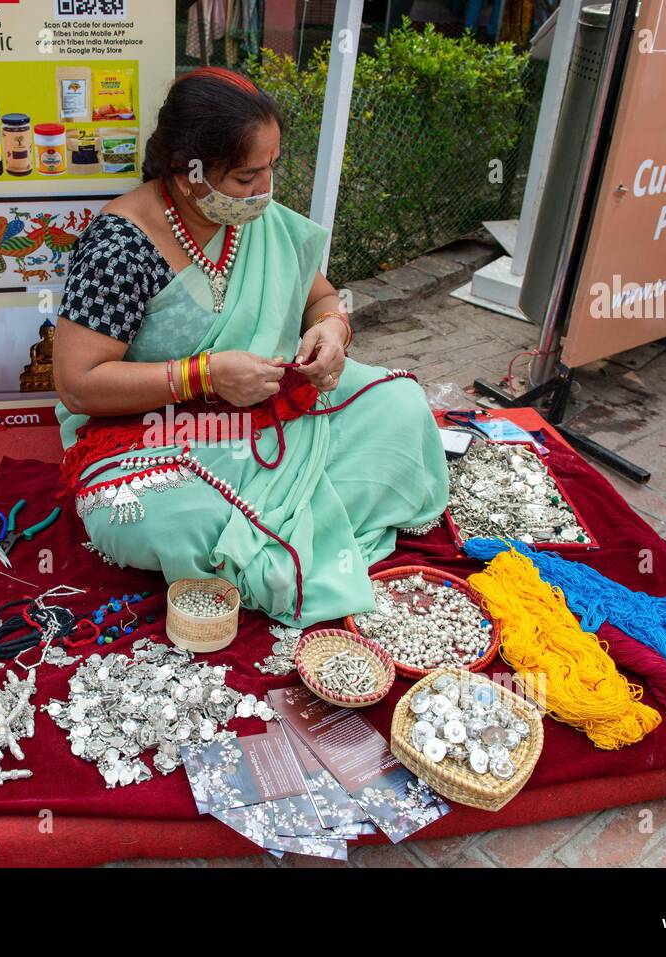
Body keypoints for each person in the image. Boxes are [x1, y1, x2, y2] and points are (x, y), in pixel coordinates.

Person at [53, 67, 448, 626]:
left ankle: (284, 526)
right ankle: (302, 522)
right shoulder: (120, 244)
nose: (264, 189)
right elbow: (78, 382)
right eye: (245, 177)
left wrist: (332, 331)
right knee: (162, 518)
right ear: (187, 173)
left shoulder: (260, 223)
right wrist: (206, 376)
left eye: (271, 168)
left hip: (270, 401)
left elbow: (323, 298)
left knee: (401, 407)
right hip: (154, 432)